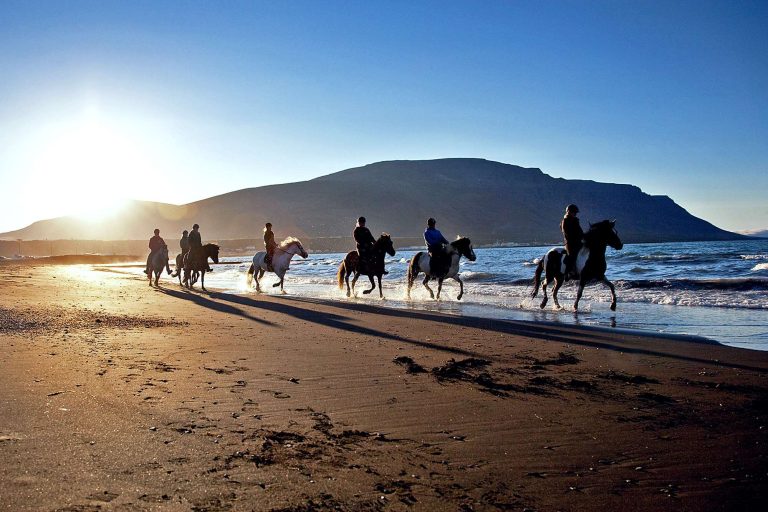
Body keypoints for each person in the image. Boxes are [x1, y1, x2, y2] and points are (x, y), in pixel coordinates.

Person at [561, 204, 584, 279]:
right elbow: (567, 234)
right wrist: (577, 239)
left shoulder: (576, 220)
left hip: (578, 241)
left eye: (576, 212)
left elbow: (580, 231)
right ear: (568, 212)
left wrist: (585, 237)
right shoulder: (565, 221)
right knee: (572, 255)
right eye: (574, 212)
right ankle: (568, 272)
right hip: (570, 243)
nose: (575, 214)